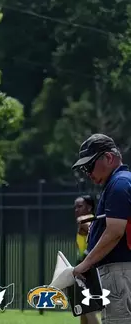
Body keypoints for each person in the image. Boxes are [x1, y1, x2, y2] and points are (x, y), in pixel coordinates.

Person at [71, 134, 131, 324]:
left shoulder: (119, 184)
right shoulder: (120, 182)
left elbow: (115, 232)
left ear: (109, 158)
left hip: (118, 272)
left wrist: (85, 264)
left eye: (90, 165)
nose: (88, 172)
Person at [70, 195, 100, 324]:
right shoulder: (95, 220)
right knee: (83, 306)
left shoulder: (84, 220)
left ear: (89, 207)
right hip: (86, 264)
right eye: (75, 207)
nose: (76, 210)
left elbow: (91, 230)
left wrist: (83, 221)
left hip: (86, 266)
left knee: (86, 307)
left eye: (80, 206)